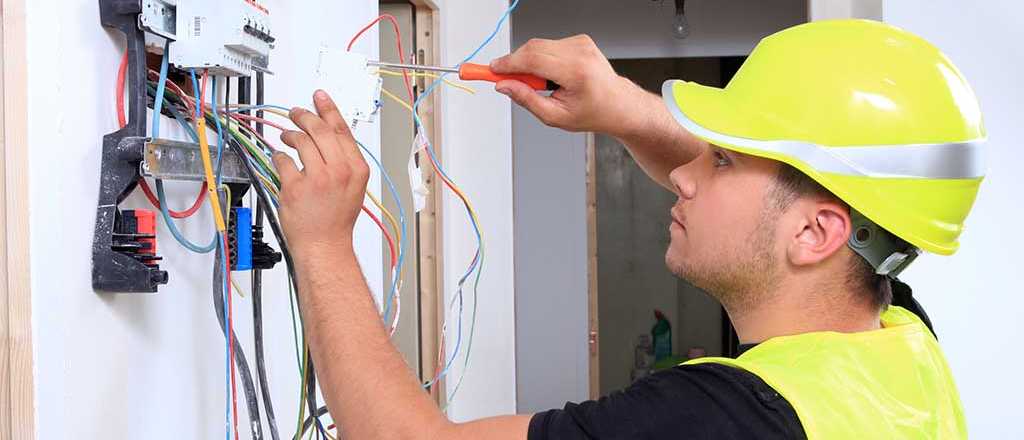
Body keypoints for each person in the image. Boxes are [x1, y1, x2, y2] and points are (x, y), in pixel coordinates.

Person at [272, 19, 983, 439]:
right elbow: (783, 198)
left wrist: (324, 240)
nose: (685, 174)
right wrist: (618, 106)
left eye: (724, 158)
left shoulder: (726, 421)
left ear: (817, 235)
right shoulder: (898, 346)